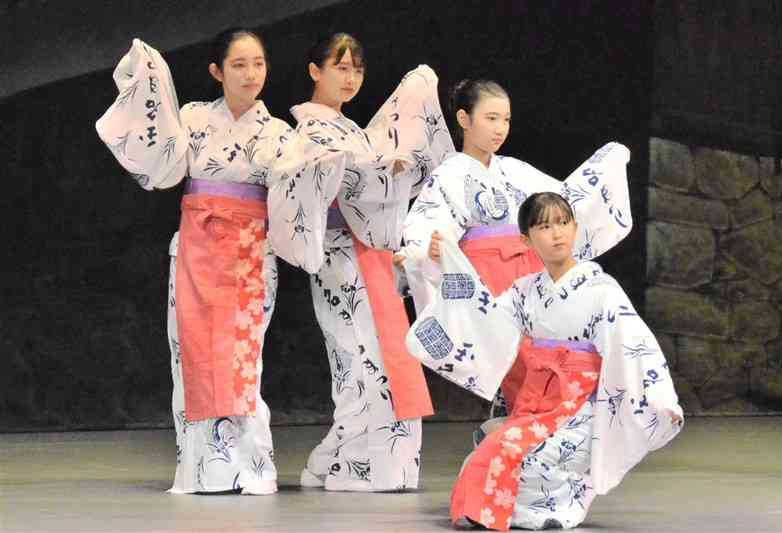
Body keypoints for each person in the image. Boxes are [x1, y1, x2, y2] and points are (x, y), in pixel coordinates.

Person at [96, 28, 347, 494]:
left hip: (251, 253)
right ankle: (203, 469)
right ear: (217, 71)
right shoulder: (191, 119)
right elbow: (160, 165)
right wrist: (145, 80)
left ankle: (248, 468)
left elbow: (296, 193)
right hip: (195, 247)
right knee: (189, 355)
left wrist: (321, 163)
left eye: (258, 64)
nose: (251, 74)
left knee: (241, 359)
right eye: (239, 65)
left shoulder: (277, 133)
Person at [406, 191, 683, 530]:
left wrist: (657, 399)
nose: (557, 234)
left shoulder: (602, 291)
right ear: (526, 239)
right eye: (544, 226)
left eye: (564, 223)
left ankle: (546, 511)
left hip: (583, 409)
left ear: (576, 227)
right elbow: (482, 316)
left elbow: (635, 347)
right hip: (537, 406)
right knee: (481, 460)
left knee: (536, 461)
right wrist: (446, 262)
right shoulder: (526, 291)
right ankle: (501, 511)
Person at [395, 78, 632, 413]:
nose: (500, 128)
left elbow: (563, 202)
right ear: (464, 119)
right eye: (490, 118)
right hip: (490, 281)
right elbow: (426, 225)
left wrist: (605, 166)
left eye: (505, 119)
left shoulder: (515, 171)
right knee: (520, 366)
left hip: (531, 275)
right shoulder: (449, 174)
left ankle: (518, 441)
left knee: (552, 356)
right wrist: (429, 250)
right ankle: (516, 442)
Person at [289, 33, 454, 492]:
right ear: (314, 71)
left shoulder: (350, 130)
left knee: (372, 357)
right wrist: (386, 168)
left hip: (368, 256)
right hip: (339, 254)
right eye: (340, 67)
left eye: (357, 69)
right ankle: (357, 463)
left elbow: (372, 172)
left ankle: (339, 460)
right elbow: (340, 181)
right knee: (359, 359)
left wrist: (393, 166)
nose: (350, 77)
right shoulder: (310, 129)